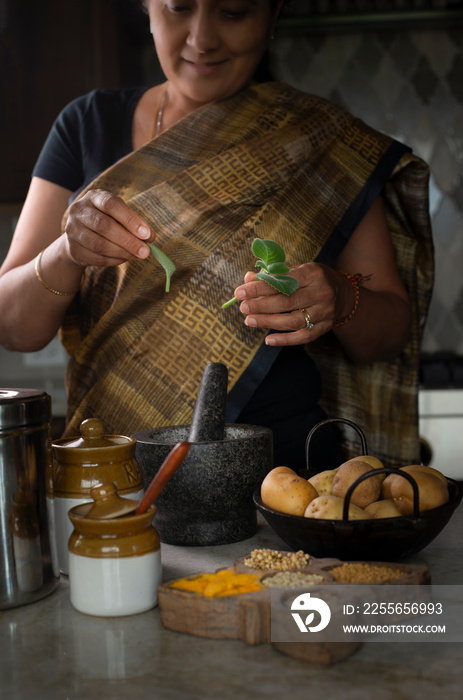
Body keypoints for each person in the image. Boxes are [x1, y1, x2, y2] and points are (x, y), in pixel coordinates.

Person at [0, 0, 433, 471]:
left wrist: (340, 298)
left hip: (287, 479)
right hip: (119, 468)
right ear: (147, 7)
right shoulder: (87, 124)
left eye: (233, 11)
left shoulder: (320, 144)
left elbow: (389, 333)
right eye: (179, 7)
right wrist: (68, 249)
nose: (201, 38)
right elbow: (11, 327)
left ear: (272, 16)